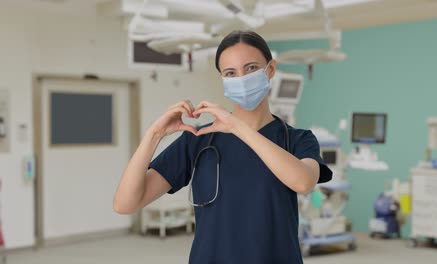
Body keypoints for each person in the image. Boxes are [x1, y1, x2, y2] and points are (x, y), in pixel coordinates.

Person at [113, 30, 332, 264]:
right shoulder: (198, 139)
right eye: (231, 73)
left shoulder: (297, 139)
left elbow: (304, 181)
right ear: (224, 80)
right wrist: (153, 135)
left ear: (270, 70)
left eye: (251, 68)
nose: (241, 78)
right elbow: (126, 203)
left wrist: (238, 128)